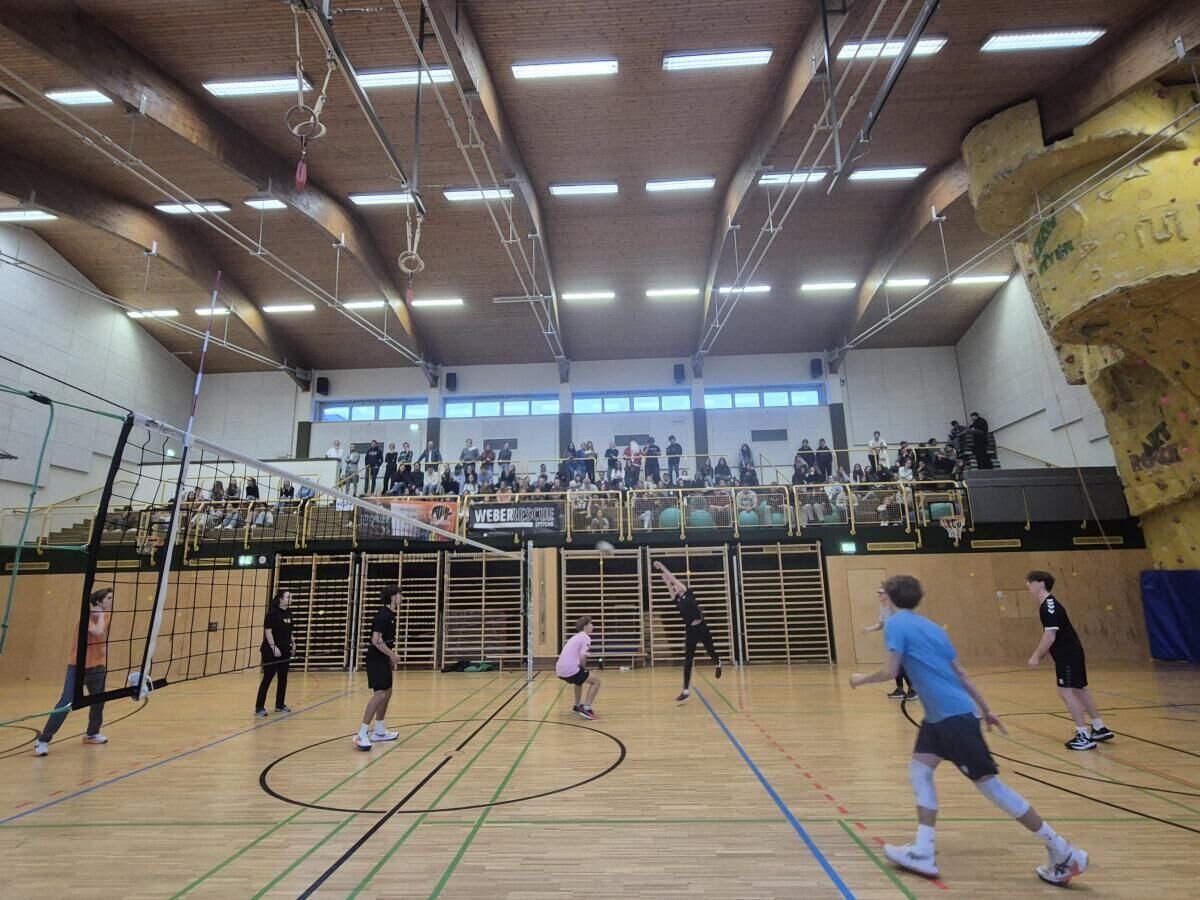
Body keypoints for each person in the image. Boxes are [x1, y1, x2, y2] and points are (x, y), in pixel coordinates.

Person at [850, 575, 1089, 886]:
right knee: (920, 770)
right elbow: (960, 673)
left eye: (883, 592)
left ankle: (1062, 851)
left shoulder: (895, 624)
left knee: (992, 787)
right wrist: (986, 709)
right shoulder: (933, 628)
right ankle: (923, 850)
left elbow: (892, 670)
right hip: (940, 718)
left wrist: (861, 679)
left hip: (951, 718)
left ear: (891, 597)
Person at [1026, 571, 1113, 750]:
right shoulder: (1048, 604)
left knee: (1065, 691)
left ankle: (1083, 735)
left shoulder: (1048, 606)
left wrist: (1037, 655)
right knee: (1079, 689)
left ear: (1041, 583)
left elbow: (1050, 635)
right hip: (1072, 652)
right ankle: (1099, 727)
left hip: (1067, 654)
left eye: (1030, 582)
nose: (1028, 585)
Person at [35, 588, 113, 756]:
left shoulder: (106, 616)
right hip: (78, 667)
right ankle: (43, 740)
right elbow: (97, 630)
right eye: (108, 598)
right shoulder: (85, 617)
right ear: (99, 601)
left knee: (98, 701)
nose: (111, 601)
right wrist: (99, 614)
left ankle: (92, 733)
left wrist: (104, 647)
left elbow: (103, 634)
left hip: (97, 666)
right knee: (66, 703)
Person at [653, 560, 722, 703]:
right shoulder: (677, 599)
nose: (675, 587)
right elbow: (669, 584)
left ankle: (718, 663)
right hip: (690, 630)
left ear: (682, 586)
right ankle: (685, 691)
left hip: (702, 627)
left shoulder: (688, 592)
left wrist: (662, 567)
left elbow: (672, 579)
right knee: (688, 660)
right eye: (674, 586)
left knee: (710, 650)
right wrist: (664, 578)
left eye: (676, 585)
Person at [355, 585, 404, 750]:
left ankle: (380, 730)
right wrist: (392, 655)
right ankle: (362, 733)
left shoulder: (391, 614)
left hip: (383, 659)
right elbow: (376, 640)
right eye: (399, 595)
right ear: (392, 597)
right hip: (375, 659)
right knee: (380, 693)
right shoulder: (383, 614)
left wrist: (389, 657)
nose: (402, 597)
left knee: (388, 692)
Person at [861, 585, 915, 699]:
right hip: (892, 640)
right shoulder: (883, 609)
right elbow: (881, 624)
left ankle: (913, 689)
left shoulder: (894, 608)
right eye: (878, 593)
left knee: (901, 665)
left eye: (881, 593)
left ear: (888, 595)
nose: (879, 595)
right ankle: (900, 689)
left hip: (901, 640)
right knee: (896, 666)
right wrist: (868, 629)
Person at [254, 589, 293, 717]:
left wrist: (293, 642)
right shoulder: (273, 613)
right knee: (268, 677)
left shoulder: (289, 613)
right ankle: (259, 707)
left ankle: (279, 705)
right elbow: (268, 631)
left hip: (285, 650)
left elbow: (289, 630)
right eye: (288, 597)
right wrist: (274, 647)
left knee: (283, 678)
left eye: (291, 597)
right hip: (270, 651)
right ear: (281, 599)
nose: (290, 599)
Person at [556, 615, 601, 720]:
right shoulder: (585, 638)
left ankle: (577, 706)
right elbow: (582, 656)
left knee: (579, 681)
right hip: (570, 669)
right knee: (596, 681)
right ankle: (587, 708)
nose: (592, 626)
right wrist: (583, 668)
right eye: (591, 623)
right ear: (585, 626)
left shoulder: (575, 637)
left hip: (560, 670)